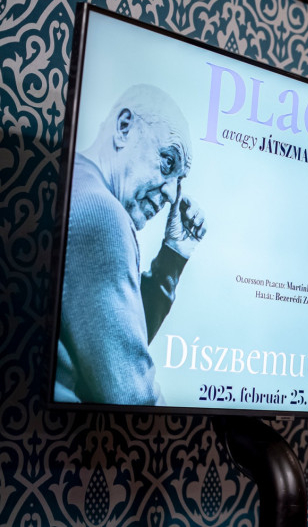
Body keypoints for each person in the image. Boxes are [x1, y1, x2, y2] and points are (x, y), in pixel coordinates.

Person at [54, 84, 206, 406]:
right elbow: (134, 397)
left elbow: (111, 349)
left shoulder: (72, 181)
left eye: (179, 181)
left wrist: (172, 256)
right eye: (167, 162)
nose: (171, 195)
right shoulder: (103, 215)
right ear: (124, 127)